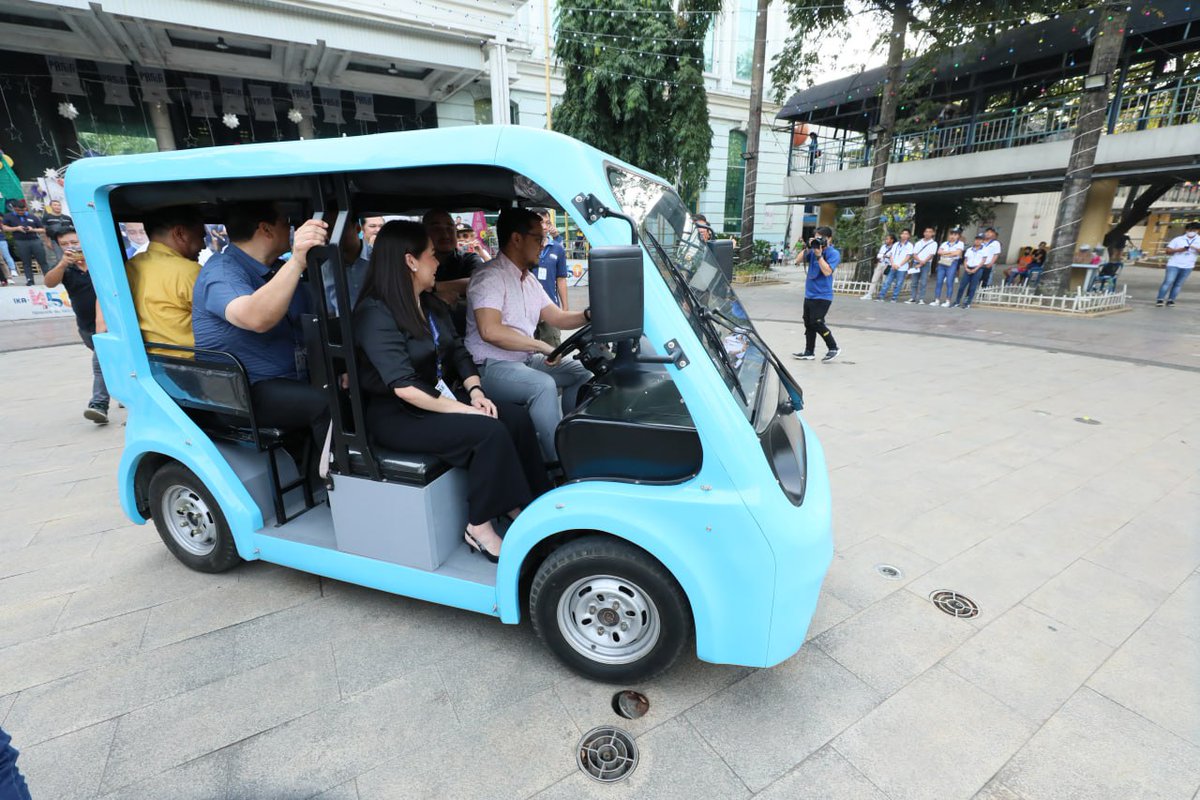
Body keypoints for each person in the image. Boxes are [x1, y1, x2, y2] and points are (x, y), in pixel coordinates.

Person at [353, 221, 550, 562]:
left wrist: (476, 393)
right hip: (399, 414)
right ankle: (479, 526)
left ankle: (530, 503)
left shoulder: (429, 305)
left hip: (436, 399)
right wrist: (466, 410)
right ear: (410, 261)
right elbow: (404, 386)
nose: (437, 262)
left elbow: (459, 353)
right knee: (488, 430)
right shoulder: (375, 313)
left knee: (515, 417)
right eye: (431, 255)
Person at [192, 201, 331, 482]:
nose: (291, 229)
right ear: (266, 229)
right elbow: (255, 317)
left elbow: (314, 322)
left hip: (291, 377)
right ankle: (333, 487)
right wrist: (296, 261)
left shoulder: (277, 269)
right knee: (326, 404)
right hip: (245, 390)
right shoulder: (222, 272)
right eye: (286, 223)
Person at [465, 207, 592, 464]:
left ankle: (571, 436)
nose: (543, 245)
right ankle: (559, 464)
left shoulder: (528, 280)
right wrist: (540, 345)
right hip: (489, 367)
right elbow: (490, 330)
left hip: (522, 361)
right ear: (516, 239)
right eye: (538, 239)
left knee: (582, 373)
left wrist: (590, 315)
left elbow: (556, 317)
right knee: (542, 385)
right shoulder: (490, 276)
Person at [43, 228, 110, 423]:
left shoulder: (100, 262)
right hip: (86, 327)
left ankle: (99, 404)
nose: (70, 247)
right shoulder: (66, 268)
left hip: (107, 324)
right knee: (111, 363)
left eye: (74, 242)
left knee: (101, 364)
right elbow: (49, 282)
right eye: (64, 244)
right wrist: (63, 263)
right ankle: (122, 393)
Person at [125, 206, 207, 348]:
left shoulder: (130, 266)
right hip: (194, 358)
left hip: (147, 356)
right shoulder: (189, 271)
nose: (203, 245)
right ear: (180, 233)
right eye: (201, 237)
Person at [424, 208, 484, 334]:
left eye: (450, 228)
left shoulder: (469, 259)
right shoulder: (415, 263)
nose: (445, 234)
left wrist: (431, 287)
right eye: (437, 229)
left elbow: (479, 283)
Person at [792, 225, 840, 362]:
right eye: (816, 237)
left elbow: (827, 272)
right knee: (808, 323)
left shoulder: (833, 253)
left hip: (823, 295)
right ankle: (809, 351)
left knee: (817, 322)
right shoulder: (812, 250)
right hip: (809, 294)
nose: (818, 240)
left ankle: (833, 347)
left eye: (821, 238)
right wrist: (808, 247)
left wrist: (819, 256)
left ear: (829, 239)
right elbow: (797, 260)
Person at [533, 209, 570, 347]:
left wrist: (565, 308)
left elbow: (561, 279)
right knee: (527, 352)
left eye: (547, 223)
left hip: (550, 309)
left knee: (553, 351)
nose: (544, 226)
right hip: (527, 310)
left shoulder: (557, 248)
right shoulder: (524, 246)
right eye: (540, 222)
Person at [3, 199, 49, 286]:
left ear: (25, 208)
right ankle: (30, 280)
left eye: (22, 210)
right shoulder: (9, 217)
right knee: (26, 261)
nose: (20, 212)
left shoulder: (32, 217)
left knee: (42, 260)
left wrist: (32, 229)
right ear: (14, 209)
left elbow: (43, 229)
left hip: (34, 240)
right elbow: (4, 228)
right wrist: (16, 228)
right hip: (20, 241)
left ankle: (48, 278)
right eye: (18, 210)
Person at [1157, 220, 1199, 307]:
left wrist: (1195, 248)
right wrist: (1178, 250)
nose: (1191, 232)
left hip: (1188, 266)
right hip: (1174, 264)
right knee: (1168, 281)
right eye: (1189, 230)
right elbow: (1168, 251)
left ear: (1198, 230)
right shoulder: (1178, 239)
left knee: (1178, 284)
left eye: (1194, 230)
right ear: (1186, 230)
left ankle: (1171, 300)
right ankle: (1160, 299)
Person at [951, 234, 987, 309]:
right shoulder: (969, 249)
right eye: (976, 239)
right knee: (962, 286)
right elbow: (965, 260)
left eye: (980, 240)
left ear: (982, 241)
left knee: (972, 287)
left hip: (977, 269)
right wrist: (966, 268)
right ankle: (957, 302)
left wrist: (975, 269)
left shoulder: (984, 250)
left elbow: (983, 261)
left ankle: (968, 303)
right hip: (968, 268)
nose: (977, 241)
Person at [906, 226, 938, 304]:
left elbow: (931, 255)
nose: (927, 233)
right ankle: (913, 298)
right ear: (924, 233)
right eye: (926, 231)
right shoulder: (918, 242)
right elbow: (914, 254)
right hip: (916, 263)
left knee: (923, 282)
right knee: (914, 281)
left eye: (930, 232)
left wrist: (922, 263)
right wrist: (920, 262)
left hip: (926, 264)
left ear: (933, 233)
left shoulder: (934, 243)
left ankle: (921, 299)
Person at [879, 228, 913, 301]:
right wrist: (893, 264)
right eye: (903, 233)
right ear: (900, 235)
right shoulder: (896, 244)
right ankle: (881, 297)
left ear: (909, 236)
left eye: (906, 234)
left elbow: (908, 257)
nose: (904, 235)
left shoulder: (910, 245)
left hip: (902, 268)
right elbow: (891, 255)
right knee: (887, 282)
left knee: (898, 284)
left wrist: (899, 265)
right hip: (893, 266)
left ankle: (894, 298)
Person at [933, 228, 964, 306]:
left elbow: (957, 253)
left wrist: (945, 253)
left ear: (958, 236)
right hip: (942, 263)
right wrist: (950, 253)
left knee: (949, 282)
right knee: (939, 282)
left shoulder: (960, 244)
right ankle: (937, 300)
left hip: (952, 263)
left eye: (955, 235)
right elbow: (939, 252)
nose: (953, 236)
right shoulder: (944, 243)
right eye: (951, 234)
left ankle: (948, 301)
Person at [863, 233, 895, 300]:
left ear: (892, 240)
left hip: (888, 265)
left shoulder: (895, 247)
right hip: (880, 264)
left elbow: (892, 256)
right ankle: (869, 294)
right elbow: (879, 255)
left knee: (885, 281)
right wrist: (882, 256)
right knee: (874, 279)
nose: (886, 240)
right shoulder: (883, 246)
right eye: (886, 239)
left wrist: (885, 256)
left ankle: (882, 295)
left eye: (887, 239)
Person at [42, 199, 74, 264]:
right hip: (55, 241)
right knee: (60, 258)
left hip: (68, 241)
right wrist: (47, 242)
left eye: (59, 205)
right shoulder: (47, 217)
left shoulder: (67, 218)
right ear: (51, 207)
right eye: (55, 205)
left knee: (72, 256)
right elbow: (44, 231)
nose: (57, 207)